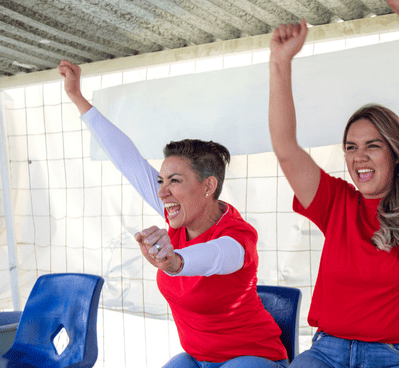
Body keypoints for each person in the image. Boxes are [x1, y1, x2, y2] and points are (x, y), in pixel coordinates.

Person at [58, 60, 288, 368]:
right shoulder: (178, 216)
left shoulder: (238, 237)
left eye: (175, 181)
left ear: (208, 186)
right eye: (161, 181)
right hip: (196, 359)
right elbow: (127, 159)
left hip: (254, 358)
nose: (163, 192)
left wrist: (175, 261)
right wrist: (77, 97)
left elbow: (217, 256)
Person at [268, 0, 399, 366]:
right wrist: (280, 63)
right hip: (329, 352)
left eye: (373, 146)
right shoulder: (338, 202)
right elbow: (286, 150)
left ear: (397, 151)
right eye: (351, 147)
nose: (359, 157)